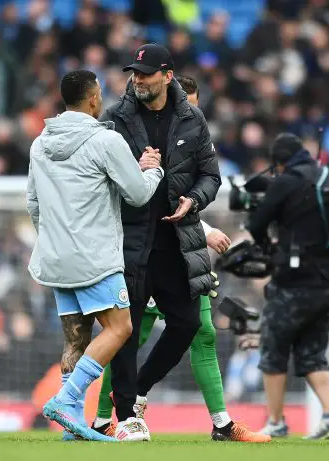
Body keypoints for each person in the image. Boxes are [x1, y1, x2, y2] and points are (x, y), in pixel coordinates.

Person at [92, 75, 269, 442]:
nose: (187, 110)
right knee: (126, 332)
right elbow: (136, 188)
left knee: (197, 330)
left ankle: (217, 421)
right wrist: (205, 229)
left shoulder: (193, 125)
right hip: (137, 246)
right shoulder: (125, 121)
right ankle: (106, 417)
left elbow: (198, 182)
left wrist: (197, 219)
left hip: (181, 249)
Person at [27, 69, 163, 442]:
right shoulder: (106, 140)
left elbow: (33, 203)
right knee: (121, 328)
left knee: (76, 339)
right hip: (94, 257)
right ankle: (65, 398)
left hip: (55, 258)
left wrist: (54, 239)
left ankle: (71, 426)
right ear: (93, 98)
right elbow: (137, 194)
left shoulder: (41, 143)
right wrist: (153, 170)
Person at [99, 44, 221, 441]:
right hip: (128, 240)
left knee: (186, 323)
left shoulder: (192, 118)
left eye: (146, 73)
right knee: (126, 331)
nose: (138, 79)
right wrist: (131, 173)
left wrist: (195, 199)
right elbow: (95, 175)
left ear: (168, 76)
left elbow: (211, 176)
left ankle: (137, 393)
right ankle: (126, 418)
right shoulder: (115, 118)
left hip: (175, 242)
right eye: (135, 73)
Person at [241, 133, 329, 439]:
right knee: (313, 353)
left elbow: (255, 223)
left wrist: (267, 242)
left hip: (293, 283)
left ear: (279, 162)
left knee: (273, 351)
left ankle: (275, 421)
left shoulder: (286, 181)